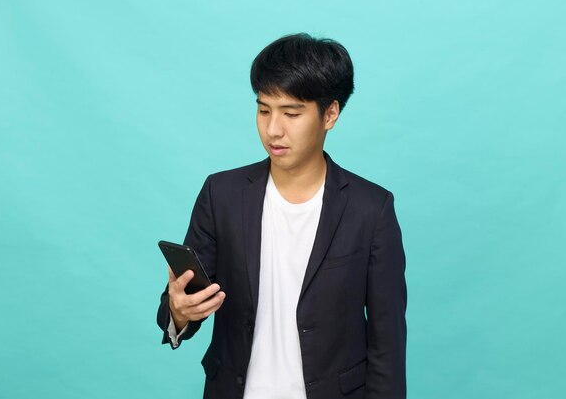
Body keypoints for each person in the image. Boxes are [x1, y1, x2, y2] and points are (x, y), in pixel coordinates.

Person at [156, 33, 407, 399]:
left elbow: (387, 343)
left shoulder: (371, 209)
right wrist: (178, 312)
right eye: (263, 110)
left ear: (330, 114)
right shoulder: (221, 194)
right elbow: (184, 303)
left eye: (291, 113)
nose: (273, 129)